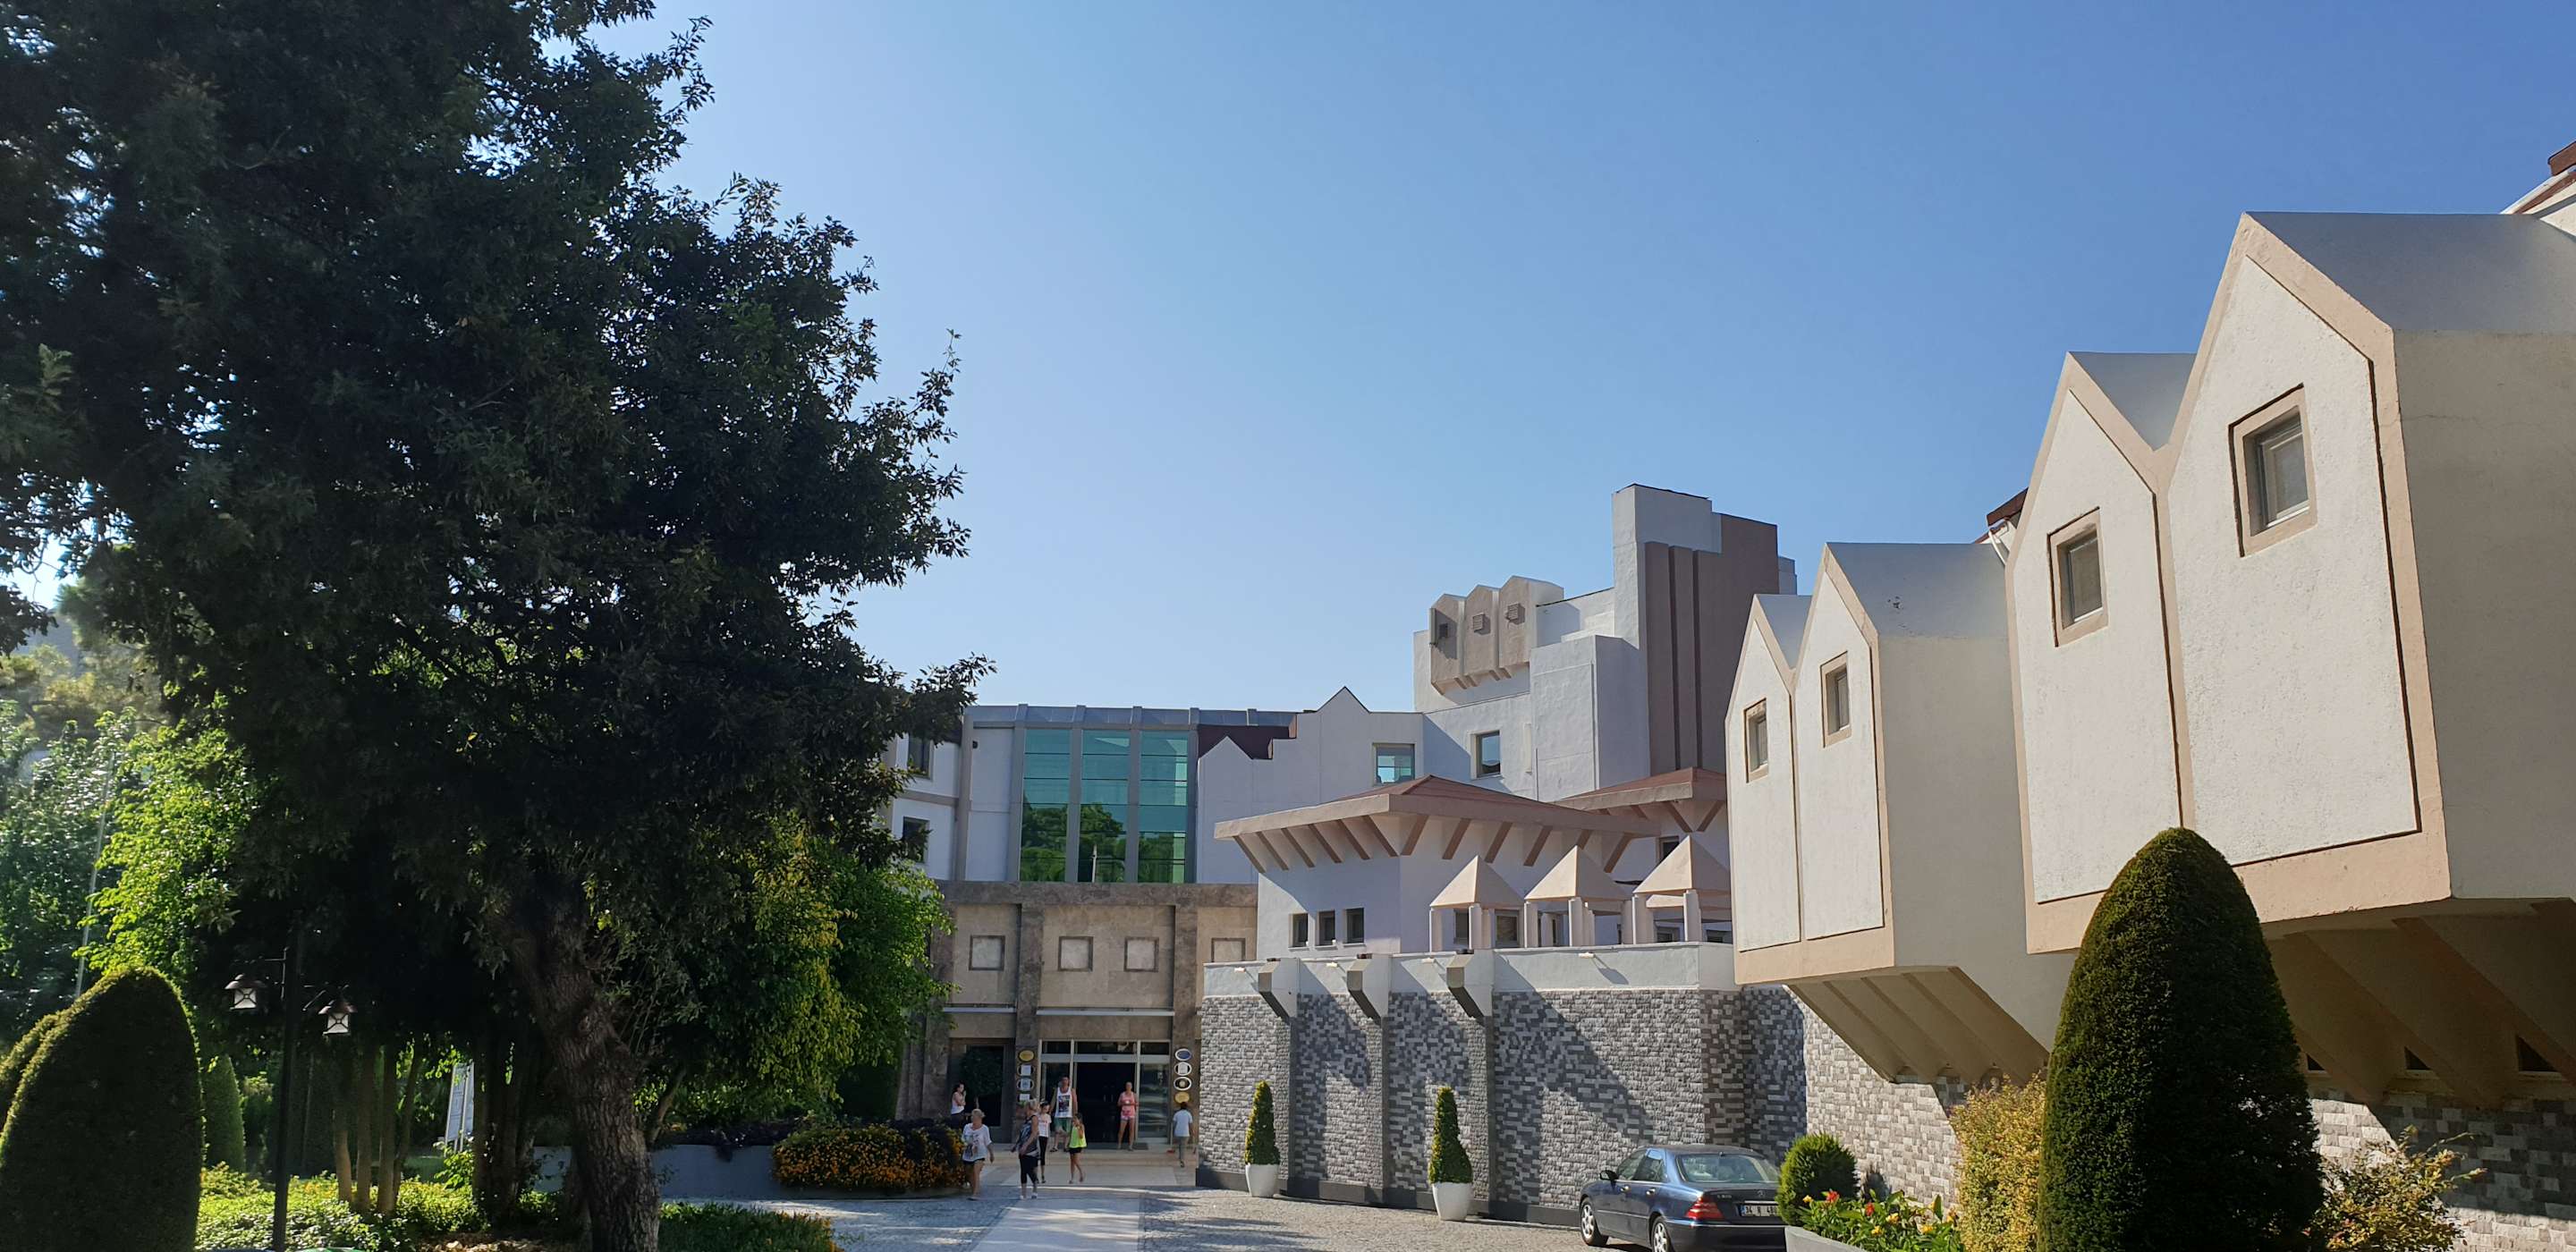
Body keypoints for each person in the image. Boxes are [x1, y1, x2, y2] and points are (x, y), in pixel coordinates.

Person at [959, 1108, 992, 1200]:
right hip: (968, 1154)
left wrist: (991, 1153)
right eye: (972, 1117)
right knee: (969, 1173)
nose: (973, 1119)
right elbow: (962, 1138)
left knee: (975, 1172)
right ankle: (974, 1190)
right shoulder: (967, 1127)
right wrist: (966, 1144)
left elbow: (988, 1142)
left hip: (979, 1153)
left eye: (975, 1117)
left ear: (979, 1118)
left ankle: (975, 1193)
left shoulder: (984, 1128)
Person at [1014, 1104, 1043, 1200]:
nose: (1024, 1110)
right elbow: (1022, 1134)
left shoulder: (1034, 1118)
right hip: (1022, 1147)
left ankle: (1035, 1186)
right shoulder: (1026, 1120)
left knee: (1030, 1169)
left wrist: (1026, 1145)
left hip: (1031, 1148)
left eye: (1025, 1108)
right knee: (1023, 1169)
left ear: (1029, 1108)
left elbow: (1034, 1133)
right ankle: (1023, 1192)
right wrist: (1016, 1145)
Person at [1064, 1110, 1088, 1182]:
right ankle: (1072, 1178)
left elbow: (1081, 1136)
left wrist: (1078, 1128)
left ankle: (1082, 1172)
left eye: (1075, 1119)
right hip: (1072, 1145)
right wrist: (1068, 1143)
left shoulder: (1081, 1126)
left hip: (1078, 1145)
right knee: (1072, 1162)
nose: (1074, 1120)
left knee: (1076, 1161)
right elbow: (1070, 1135)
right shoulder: (1072, 1126)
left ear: (1079, 1119)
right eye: (1073, 1118)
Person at [1117, 1081, 1139, 1148]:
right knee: (1121, 1130)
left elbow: (1137, 1103)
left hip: (1131, 1114)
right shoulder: (1122, 1094)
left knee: (1131, 1130)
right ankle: (1119, 1144)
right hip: (1124, 1114)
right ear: (1126, 1087)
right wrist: (1124, 1103)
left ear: (1131, 1087)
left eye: (1129, 1086)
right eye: (1127, 1086)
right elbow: (1118, 1104)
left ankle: (1130, 1145)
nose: (1128, 1087)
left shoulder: (1134, 1095)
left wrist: (1131, 1104)